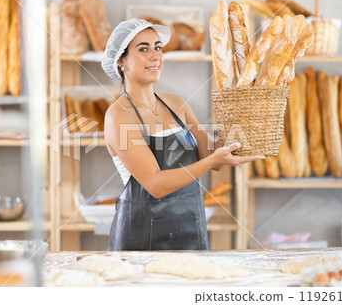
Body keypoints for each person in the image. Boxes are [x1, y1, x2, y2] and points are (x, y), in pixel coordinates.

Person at [101, 19, 263, 251]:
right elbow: (155, 184)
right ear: (121, 61)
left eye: (158, 47)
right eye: (143, 49)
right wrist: (211, 161)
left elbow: (212, 154)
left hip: (191, 228)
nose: (155, 56)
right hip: (140, 239)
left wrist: (246, 128)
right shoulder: (119, 116)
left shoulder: (176, 104)